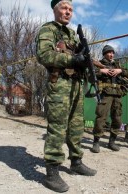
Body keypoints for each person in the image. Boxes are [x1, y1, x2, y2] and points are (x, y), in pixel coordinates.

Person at [36, 0, 96, 192]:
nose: (67, 12)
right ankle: (52, 172)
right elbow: (44, 55)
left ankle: (76, 162)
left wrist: (86, 61)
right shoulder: (48, 30)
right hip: (59, 85)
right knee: (58, 127)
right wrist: (72, 59)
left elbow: (80, 57)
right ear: (55, 10)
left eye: (70, 9)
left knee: (76, 126)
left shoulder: (72, 34)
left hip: (76, 85)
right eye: (64, 8)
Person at [90, 45, 128, 153]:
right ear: (104, 54)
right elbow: (89, 75)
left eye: (112, 52)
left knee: (117, 119)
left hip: (117, 94)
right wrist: (101, 72)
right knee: (101, 117)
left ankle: (112, 142)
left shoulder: (118, 64)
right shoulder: (99, 64)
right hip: (105, 94)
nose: (111, 54)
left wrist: (120, 71)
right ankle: (96, 142)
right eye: (109, 52)